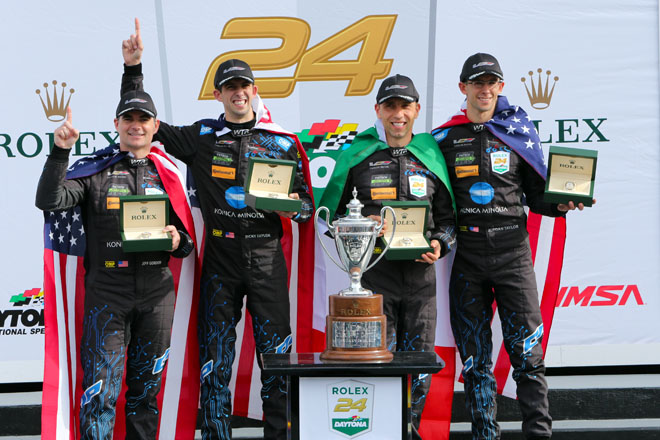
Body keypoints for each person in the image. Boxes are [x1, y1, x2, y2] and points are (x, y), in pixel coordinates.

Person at [120, 19, 314, 440]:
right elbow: (141, 123)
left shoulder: (281, 142)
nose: (238, 92)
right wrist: (133, 70)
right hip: (221, 261)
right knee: (215, 360)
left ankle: (279, 435)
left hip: (266, 258)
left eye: (244, 85)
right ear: (218, 94)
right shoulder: (202, 136)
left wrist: (281, 203)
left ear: (254, 90)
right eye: (229, 87)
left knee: (276, 359)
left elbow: (305, 211)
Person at [432, 53, 594, 440]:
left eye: (491, 82)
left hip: (513, 255)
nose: (485, 89)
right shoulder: (445, 138)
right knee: (475, 361)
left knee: (528, 356)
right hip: (468, 256)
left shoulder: (518, 131)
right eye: (477, 83)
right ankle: (485, 435)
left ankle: (538, 434)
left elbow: (538, 197)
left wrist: (562, 203)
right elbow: (435, 202)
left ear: (501, 87)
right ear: (463, 88)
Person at [35, 92, 195, 439]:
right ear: (116, 125)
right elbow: (49, 200)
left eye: (143, 119)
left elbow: (187, 244)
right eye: (129, 119)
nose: (136, 126)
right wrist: (60, 151)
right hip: (108, 292)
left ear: (155, 126)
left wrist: (177, 240)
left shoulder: (168, 174)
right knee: (99, 393)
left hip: (157, 295)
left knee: (145, 393)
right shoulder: (95, 170)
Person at [320, 74, 456, 439]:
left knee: (420, 369)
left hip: (420, 282)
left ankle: (409, 433)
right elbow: (328, 219)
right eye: (390, 106)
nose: (398, 114)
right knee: (376, 368)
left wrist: (439, 245)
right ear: (378, 110)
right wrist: (362, 227)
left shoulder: (430, 156)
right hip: (373, 283)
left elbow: (448, 222)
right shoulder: (358, 157)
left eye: (405, 106)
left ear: (417, 110)